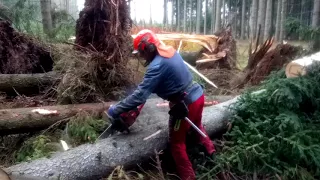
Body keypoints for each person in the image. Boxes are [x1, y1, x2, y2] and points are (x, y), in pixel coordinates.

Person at [107, 29, 216, 180]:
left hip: (185, 106)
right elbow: (151, 88)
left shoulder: (156, 66)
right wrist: (132, 109)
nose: (141, 55)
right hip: (197, 96)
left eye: (141, 52)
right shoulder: (170, 52)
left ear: (147, 47)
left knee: (177, 144)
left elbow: (140, 95)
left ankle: (189, 177)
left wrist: (116, 109)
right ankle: (213, 157)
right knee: (198, 127)